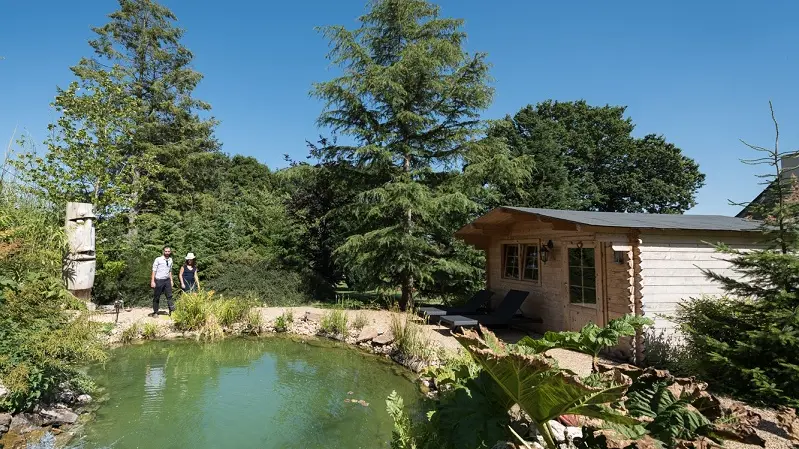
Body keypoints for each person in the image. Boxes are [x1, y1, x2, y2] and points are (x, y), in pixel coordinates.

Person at [150, 246, 174, 316]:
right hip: (159, 280)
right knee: (157, 296)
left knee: (169, 296)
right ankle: (155, 312)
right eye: (166, 251)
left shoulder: (170, 260)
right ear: (163, 251)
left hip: (167, 280)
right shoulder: (158, 259)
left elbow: (170, 271)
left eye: (168, 251)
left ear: (170, 252)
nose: (167, 253)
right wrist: (152, 281)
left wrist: (171, 280)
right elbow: (154, 270)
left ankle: (171, 311)